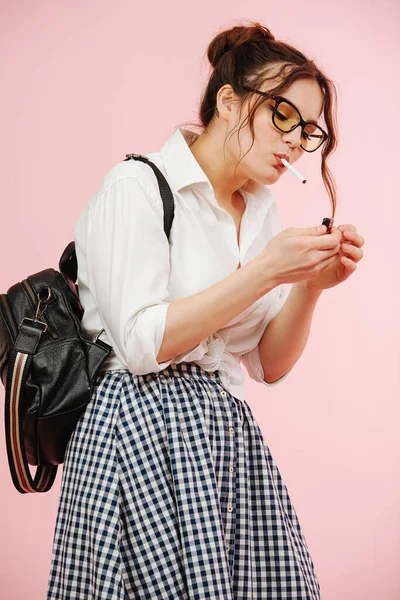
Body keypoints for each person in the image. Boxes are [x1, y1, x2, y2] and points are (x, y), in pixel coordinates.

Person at [46, 21, 364, 600]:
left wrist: (311, 287)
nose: (296, 140)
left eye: (310, 130)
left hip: (222, 438)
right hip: (135, 431)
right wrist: (267, 270)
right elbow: (143, 345)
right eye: (283, 115)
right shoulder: (136, 186)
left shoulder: (261, 211)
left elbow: (267, 364)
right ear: (228, 99)